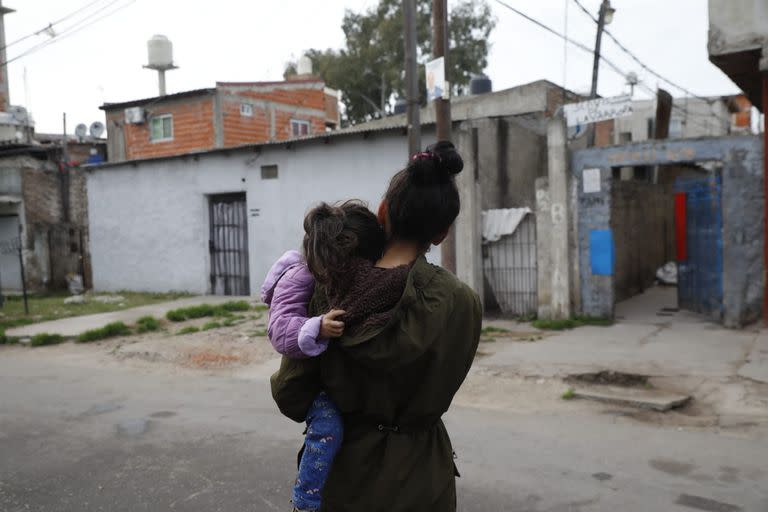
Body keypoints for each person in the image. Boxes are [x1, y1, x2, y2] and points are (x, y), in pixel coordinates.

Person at [271, 141, 483, 512]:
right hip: (425, 480)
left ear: (382, 212)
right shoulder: (462, 303)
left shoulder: (329, 288)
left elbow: (290, 390)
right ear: (442, 233)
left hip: (347, 477)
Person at [260, 200, 387, 512]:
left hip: (327, 376)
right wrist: (316, 326)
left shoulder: (327, 274)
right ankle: (305, 501)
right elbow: (278, 330)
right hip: (308, 386)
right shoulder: (300, 276)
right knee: (328, 427)